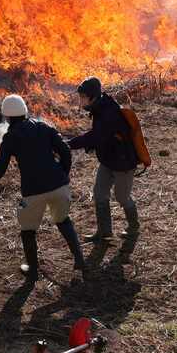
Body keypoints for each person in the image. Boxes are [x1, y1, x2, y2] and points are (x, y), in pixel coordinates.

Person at [0, 94, 86, 282]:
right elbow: (65, 150)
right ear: (24, 111)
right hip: (59, 186)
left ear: (8, 117)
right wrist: (62, 174)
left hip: (33, 192)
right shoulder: (43, 127)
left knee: (28, 230)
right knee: (63, 221)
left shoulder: (10, 138)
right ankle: (79, 260)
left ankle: (33, 270)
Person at [67, 77, 140, 242]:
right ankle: (104, 231)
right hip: (108, 160)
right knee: (100, 193)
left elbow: (95, 137)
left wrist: (68, 144)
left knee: (122, 197)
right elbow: (99, 138)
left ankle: (134, 228)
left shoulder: (109, 112)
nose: (80, 101)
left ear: (92, 96)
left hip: (123, 162)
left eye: (83, 97)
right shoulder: (99, 108)